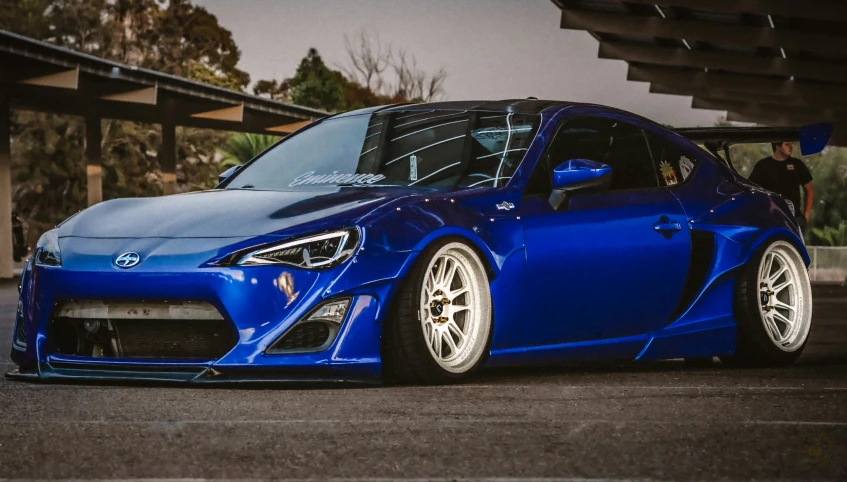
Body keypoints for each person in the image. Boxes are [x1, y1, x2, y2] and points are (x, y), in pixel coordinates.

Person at [748, 141, 814, 231]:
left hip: (794, 218)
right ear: (777, 147)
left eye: (791, 144)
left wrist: (806, 217)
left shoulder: (797, 165)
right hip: (770, 218)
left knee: (793, 244)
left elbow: (809, 190)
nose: (791, 147)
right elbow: (751, 190)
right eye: (787, 144)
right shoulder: (762, 166)